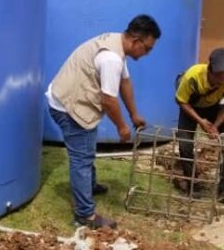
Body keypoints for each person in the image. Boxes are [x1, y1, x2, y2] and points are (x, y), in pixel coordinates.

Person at [46, 14, 161, 229]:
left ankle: (89, 186)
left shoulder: (119, 44)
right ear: (136, 41)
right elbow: (108, 100)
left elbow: (124, 82)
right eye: (147, 48)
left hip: (74, 98)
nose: (147, 53)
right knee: (81, 157)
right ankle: (85, 215)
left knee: (87, 146)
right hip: (68, 105)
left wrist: (134, 114)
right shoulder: (111, 58)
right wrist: (122, 127)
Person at [174, 48, 224, 207]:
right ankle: (192, 186)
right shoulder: (192, 76)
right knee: (184, 145)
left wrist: (215, 126)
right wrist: (201, 122)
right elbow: (182, 101)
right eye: (217, 76)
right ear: (209, 69)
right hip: (190, 107)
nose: (221, 81)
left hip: (213, 108)